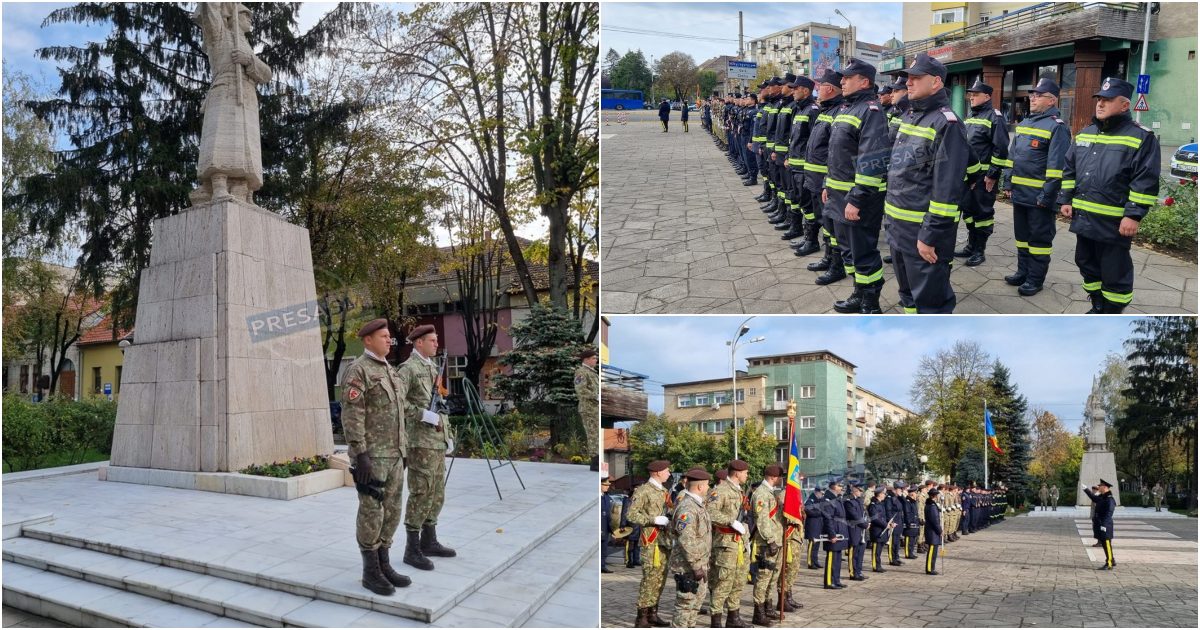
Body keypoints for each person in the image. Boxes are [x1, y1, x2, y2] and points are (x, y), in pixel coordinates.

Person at [1059, 77, 1161, 314]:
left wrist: (1134, 215)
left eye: (1107, 99)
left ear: (1125, 105)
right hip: (1084, 218)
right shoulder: (1085, 133)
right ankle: (1097, 302)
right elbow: (1069, 169)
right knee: (1086, 263)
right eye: (1099, 99)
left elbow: (1145, 180)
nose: (1100, 104)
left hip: (1114, 224)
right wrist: (1065, 199)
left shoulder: (1141, 137)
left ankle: (1112, 311)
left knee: (1114, 271)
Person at [884, 53, 969, 314]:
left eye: (915, 78)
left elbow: (947, 191)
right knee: (908, 296)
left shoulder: (947, 123)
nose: (908, 83)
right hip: (898, 228)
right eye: (907, 78)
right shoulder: (910, 116)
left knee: (931, 304)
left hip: (922, 233)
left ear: (936, 83)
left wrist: (929, 236)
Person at [342, 318, 410, 595]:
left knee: (392, 511)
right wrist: (361, 454)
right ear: (368, 340)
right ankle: (371, 571)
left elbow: (400, 414)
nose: (388, 340)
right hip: (373, 457)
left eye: (389, 337)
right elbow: (352, 415)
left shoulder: (390, 371)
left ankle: (384, 563)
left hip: (394, 455)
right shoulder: (358, 371)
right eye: (383, 336)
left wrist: (403, 449)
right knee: (372, 511)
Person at [825, 59, 890, 314]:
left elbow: (872, 162)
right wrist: (826, 185)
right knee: (849, 251)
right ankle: (858, 293)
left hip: (858, 199)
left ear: (864, 82)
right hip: (838, 194)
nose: (842, 81)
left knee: (863, 252)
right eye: (842, 78)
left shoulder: (871, 111)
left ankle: (871, 302)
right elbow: (835, 155)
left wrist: (857, 199)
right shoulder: (846, 109)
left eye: (847, 78)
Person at [192, 2, 272, 204]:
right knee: (221, 142)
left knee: (246, 146)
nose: (250, 21)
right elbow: (210, 11)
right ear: (235, 16)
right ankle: (218, 186)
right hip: (225, 88)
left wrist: (249, 60)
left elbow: (267, 74)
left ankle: (242, 189)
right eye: (246, 16)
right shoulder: (220, 35)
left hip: (247, 95)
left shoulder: (245, 45)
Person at [1004, 77, 1071, 296]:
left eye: (1038, 95)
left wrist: (1047, 196)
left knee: (1039, 241)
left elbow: (1056, 168)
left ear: (1051, 100)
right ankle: (1022, 273)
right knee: (1022, 238)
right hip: (1020, 195)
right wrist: (1008, 182)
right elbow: (1012, 157)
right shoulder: (1024, 123)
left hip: (1040, 199)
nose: (1032, 98)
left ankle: (1035, 279)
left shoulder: (1057, 127)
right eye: (1032, 94)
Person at [398, 325, 456, 571]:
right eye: (432, 340)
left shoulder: (432, 367)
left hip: (436, 441)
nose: (436, 343)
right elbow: (397, 403)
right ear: (418, 343)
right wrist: (422, 414)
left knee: (436, 492)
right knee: (421, 491)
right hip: (420, 442)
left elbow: (440, 402)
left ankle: (429, 540)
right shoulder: (407, 369)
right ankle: (412, 549)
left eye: (436, 340)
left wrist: (448, 433)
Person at [955, 79, 1011, 267]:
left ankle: (980, 250)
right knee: (969, 213)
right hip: (968, 175)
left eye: (975, 94)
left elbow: (1001, 148)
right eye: (970, 94)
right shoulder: (971, 116)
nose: (971, 97)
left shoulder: (995, 117)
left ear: (987, 97)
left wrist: (993, 175)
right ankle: (971, 246)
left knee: (983, 214)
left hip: (984, 177)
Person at [803, 70, 849, 276]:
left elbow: (835, 152)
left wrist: (826, 181)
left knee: (832, 225)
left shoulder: (839, 111)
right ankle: (828, 257)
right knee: (824, 222)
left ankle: (836, 266)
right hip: (816, 178)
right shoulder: (826, 111)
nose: (817, 90)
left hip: (826, 179)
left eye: (819, 86)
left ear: (829, 88)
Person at [627, 460, 674, 627]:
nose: (669, 473)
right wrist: (652, 519)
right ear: (658, 472)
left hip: (664, 541)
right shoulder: (643, 491)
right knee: (649, 579)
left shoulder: (664, 491)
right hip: (651, 541)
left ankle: (653, 613)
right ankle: (641, 617)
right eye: (667, 471)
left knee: (660, 579)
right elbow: (631, 515)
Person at [707, 459, 751, 628]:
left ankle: (733, 617)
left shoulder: (739, 491)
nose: (747, 475)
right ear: (737, 473)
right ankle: (716, 621)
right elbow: (710, 512)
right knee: (723, 584)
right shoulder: (721, 490)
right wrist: (731, 522)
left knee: (738, 582)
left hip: (739, 543)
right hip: (725, 545)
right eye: (745, 472)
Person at [669, 468, 713, 628]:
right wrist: (695, 566)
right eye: (708, 485)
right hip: (688, 567)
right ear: (700, 487)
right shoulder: (688, 508)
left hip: (699, 565)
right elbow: (686, 540)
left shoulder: (697, 505)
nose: (709, 488)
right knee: (685, 606)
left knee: (695, 605)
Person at [750, 465, 784, 624]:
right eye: (780, 476)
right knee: (763, 578)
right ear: (773, 477)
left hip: (776, 541)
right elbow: (762, 520)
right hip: (766, 542)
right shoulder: (762, 493)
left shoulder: (770, 492)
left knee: (773, 577)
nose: (782, 479)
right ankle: (758, 612)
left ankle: (768, 608)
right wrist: (770, 540)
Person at [574, 348, 600, 471]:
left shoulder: (592, 372)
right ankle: (595, 462)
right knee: (593, 434)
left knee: (597, 434)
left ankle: (597, 460)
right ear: (586, 359)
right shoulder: (582, 372)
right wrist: (596, 396)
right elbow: (580, 390)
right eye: (594, 358)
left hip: (595, 408)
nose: (596, 360)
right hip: (588, 408)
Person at [1082, 480, 1117, 570]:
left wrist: (1104, 525)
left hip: (1106, 525)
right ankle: (1112, 560)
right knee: (1105, 544)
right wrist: (1086, 489)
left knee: (1106, 544)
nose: (1099, 487)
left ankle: (1109, 563)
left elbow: (1109, 513)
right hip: (1101, 523)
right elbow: (1094, 498)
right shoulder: (1102, 497)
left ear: (1105, 487)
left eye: (1100, 486)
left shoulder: (1109, 499)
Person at [821, 481, 849, 589]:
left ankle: (836, 580)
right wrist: (832, 534)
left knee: (837, 559)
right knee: (832, 559)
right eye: (839, 486)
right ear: (833, 486)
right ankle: (829, 582)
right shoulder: (828, 499)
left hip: (839, 530)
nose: (841, 488)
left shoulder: (837, 498)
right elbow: (828, 518)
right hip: (833, 532)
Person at [844, 482, 869, 581]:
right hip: (853, 529)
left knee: (860, 553)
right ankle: (853, 573)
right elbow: (854, 516)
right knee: (853, 553)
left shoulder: (859, 501)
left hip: (861, 530)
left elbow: (864, 514)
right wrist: (865, 524)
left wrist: (867, 522)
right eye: (859, 491)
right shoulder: (849, 501)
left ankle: (859, 571)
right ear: (855, 490)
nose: (861, 493)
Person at [867, 486, 891, 573]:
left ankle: (878, 565)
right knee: (876, 550)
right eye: (884, 494)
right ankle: (875, 566)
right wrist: (885, 525)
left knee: (879, 550)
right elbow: (875, 519)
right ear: (880, 494)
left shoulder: (881, 504)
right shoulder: (873, 505)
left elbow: (883, 517)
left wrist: (889, 523)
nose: (885, 495)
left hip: (882, 529)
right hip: (877, 530)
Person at [803, 486, 827, 570]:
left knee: (817, 545)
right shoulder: (810, 500)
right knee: (812, 545)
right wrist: (819, 513)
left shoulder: (821, 500)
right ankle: (810, 562)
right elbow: (808, 511)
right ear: (816, 492)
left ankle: (815, 561)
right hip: (812, 525)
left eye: (823, 493)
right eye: (821, 493)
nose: (822, 494)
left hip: (819, 525)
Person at [923, 488, 944, 575]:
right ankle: (929, 568)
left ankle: (931, 567)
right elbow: (935, 521)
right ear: (935, 496)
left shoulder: (931, 504)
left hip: (932, 530)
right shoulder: (931, 506)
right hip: (932, 531)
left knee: (934, 551)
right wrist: (940, 531)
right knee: (932, 551)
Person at [902, 486, 921, 559]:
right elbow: (907, 513)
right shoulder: (907, 502)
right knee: (908, 539)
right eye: (915, 493)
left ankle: (911, 552)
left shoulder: (913, 502)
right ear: (912, 494)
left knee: (913, 539)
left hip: (914, 523)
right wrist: (909, 522)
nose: (916, 494)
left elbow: (915, 513)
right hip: (909, 524)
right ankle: (907, 553)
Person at [601, 476, 615, 573]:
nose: (607, 487)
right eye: (605, 485)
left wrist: (612, 530)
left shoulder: (607, 497)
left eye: (608, 485)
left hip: (605, 528)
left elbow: (609, 515)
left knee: (604, 548)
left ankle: (602, 565)